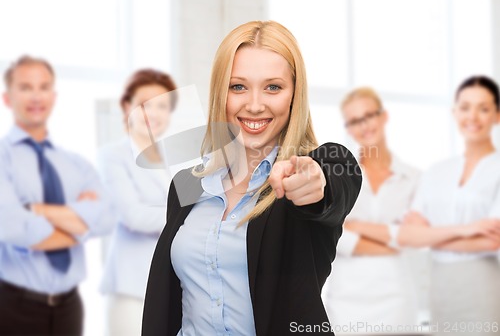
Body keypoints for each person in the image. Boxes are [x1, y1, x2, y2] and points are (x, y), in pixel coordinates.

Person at [141, 20, 363, 336]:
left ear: (294, 95)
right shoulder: (187, 185)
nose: (255, 105)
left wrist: (316, 181)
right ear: (221, 93)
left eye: (273, 87)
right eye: (238, 86)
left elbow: (336, 176)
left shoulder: (309, 173)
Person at [0, 55, 113, 336]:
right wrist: (80, 224)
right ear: (7, 98)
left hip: (69, 308)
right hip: (14, 308)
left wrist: (37, 209)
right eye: (25, 87)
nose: (36, 95)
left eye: (44, 86)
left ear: (54, 96)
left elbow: (107, 218)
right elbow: (16, 229)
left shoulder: (76, 164)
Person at [398, 76, 500, 336]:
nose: (472, 116)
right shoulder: (436, 172)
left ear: (497, 115)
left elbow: (492, 241)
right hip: (441, 286)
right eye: (465, 107)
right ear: (454, 112)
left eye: (484, 108)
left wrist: (429, 236)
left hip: (485, 286)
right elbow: (408, 235)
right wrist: (468, 230)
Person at [322, 87, 420, 333]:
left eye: (369, 116)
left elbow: (415, 237)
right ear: (348, 128)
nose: (364, 126)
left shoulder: (414, 178)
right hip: (346, 302)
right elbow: (335, 236)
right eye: (354, 121)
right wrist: (391, 240)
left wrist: (358, 227)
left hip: (397, 298)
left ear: (383, 116)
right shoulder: (338, 178)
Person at [98, 69, 177, 336]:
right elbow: (133, 215)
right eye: (144, 104)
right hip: (133, 288)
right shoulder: (113, 156)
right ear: (126, 107)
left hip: (173, 285)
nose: (152, 113)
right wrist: (185, 214)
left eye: (162, 106)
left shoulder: (174, 157)